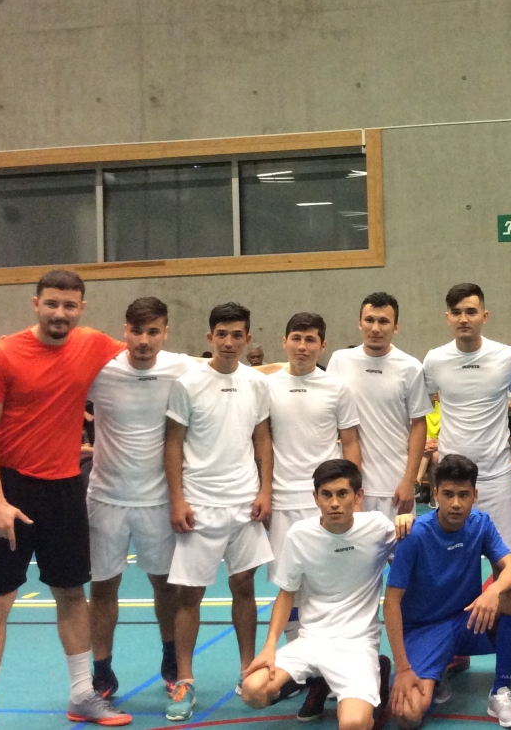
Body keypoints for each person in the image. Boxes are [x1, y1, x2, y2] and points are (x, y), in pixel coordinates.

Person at [0, 269, 130, 730]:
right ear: (35, 303)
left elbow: (155, 359)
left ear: (82, 308)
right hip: (12, 489)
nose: (61, 313)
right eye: (52, 303)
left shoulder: (92, 343)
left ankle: (82, 696)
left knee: (72, 594)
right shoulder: (2, 354)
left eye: (70, 305)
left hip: (64, 488)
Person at [163, 301, 274, 721]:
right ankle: (185, 680)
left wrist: (265, 489)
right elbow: (173, 444)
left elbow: (263, 440)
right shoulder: (188, 384)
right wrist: (178, 499)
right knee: (189, 596)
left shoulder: (256, 383)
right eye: (222, 334)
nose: (229, 342)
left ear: (247, 338)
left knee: (244, 588)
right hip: (200, 505)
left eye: (237, 335)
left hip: (245, 504)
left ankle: (248, 670)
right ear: (210, 337)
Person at [85, 297, 200, 700]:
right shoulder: (100, 370)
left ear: (165, 332)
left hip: (158, 501)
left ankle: (171, 660)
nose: (144, 340)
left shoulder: (182, 367)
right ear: (125, 331)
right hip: (105, 498)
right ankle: (102, 673)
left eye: (153, 331)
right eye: (137, 331)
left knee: (165, 587)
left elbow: (244, 373)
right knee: (102, 589)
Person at [239, 459, 397, 730]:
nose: (334, 503)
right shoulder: (299, 535)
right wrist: (268, 647)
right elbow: (286, 594)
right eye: (327, 495)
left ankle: (376, 674)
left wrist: (407, 522)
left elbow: (408, 561)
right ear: (316, 498)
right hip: (312, 639)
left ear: (358, 496)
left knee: (354, 724)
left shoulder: (379, 528)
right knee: (253, 691)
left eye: (342, 494)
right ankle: (321, 680)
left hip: (357, 642)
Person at [385, 453, 511, 729]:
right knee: (408, 715)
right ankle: (433, 669)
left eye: (463, 495)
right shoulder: (414, 535)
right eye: (448, 494)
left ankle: (500, 692)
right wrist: (403, 668)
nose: (455, 503)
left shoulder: (481, 523)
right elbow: (391, 603)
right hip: (423, 630)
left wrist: (492, 591)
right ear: (436, 493)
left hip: (467, 620)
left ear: (474, 495)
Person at [265, 312, 361, 657]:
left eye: (310, 340)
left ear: (322, 345)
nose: (302, 347)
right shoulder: (268, 386)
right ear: (285, 341)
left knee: (327, 583)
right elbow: (261, 443)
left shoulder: (337, 387)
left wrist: (353, 498)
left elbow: (349, 442)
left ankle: (334, 658)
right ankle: (298, 661)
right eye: (296, 338)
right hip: (281, 501)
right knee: (289, 584)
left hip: (325, 503)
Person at [422, 283, 511, 561]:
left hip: (497, 474)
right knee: (452, 561)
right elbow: (418, 408)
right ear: (448, 317)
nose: (464, 319)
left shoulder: (506, 356)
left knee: (507, 566)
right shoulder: (434, 360)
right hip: (453, 479)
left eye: (471, 311)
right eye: (456, 313)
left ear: (485, 315)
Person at [327, 292, 431, 519]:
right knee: (356, 554)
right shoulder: (339, 361)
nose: (375, 328)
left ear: (396, 327)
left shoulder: (411, 367)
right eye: (370, 320)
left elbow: (418, 425)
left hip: (395, 486)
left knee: (399, 553)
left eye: (383, 321)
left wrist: (409, 481)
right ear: (359, 323)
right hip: (351, 487)